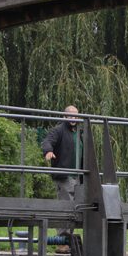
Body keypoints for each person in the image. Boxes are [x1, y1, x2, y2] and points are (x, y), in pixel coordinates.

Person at [41, 105, 81, 247]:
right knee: (66, 207)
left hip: (80, 176)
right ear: (64, 117)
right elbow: (47, 141)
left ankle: (69, 238)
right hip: (64, 175)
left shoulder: (80, 131)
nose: (73, 118)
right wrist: (48, 152)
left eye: (75, 115)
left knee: (77, 208)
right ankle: (62, 241)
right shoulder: (59, 130)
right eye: (70, 115)